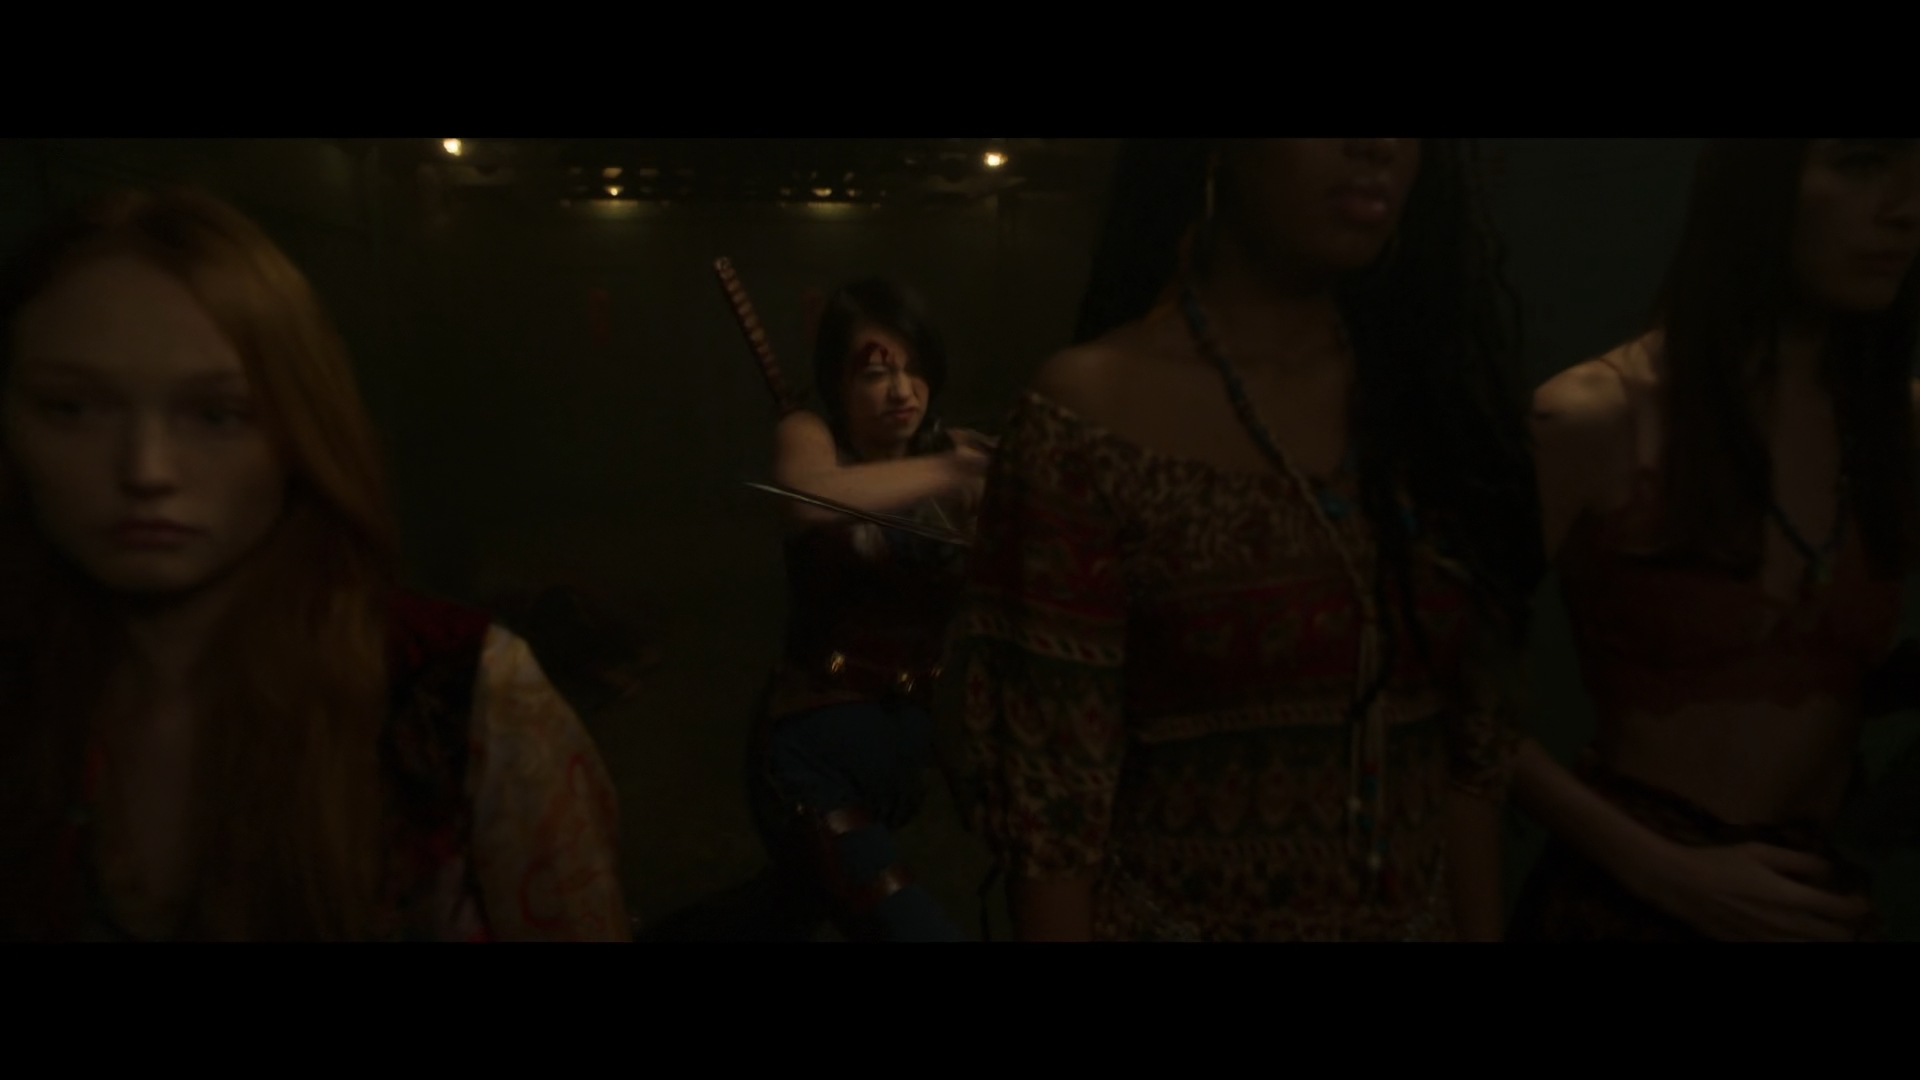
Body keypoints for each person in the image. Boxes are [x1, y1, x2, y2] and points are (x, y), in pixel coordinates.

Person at [0, 189, 629, 941]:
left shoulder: (460, 696)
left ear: (301, 428)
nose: (147, 469)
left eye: (217, 414)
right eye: (72, 408)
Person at [959, 139, 1541, 941]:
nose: (1376, 146)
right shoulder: (1090, 417)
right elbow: (1053, 820)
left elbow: (1470, 768)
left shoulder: (1439, 404)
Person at [1512, 139, 1920, 941]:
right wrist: (1659, 868)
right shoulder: (1598, 417)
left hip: (1818, 905)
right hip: (1624, 906)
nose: (1908, 210)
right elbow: (1445, 694)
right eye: (1861, 163)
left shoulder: (1893, 430)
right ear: (1758, 180)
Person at [651, 278, 990, 942]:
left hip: (899, 762)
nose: (902, 391)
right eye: (876, 373)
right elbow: (807, 494)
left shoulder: (950, 450)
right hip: (811, 762)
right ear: (837, 381)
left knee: (779, 910)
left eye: (915, 369)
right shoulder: (812, 436)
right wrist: (954, 473)